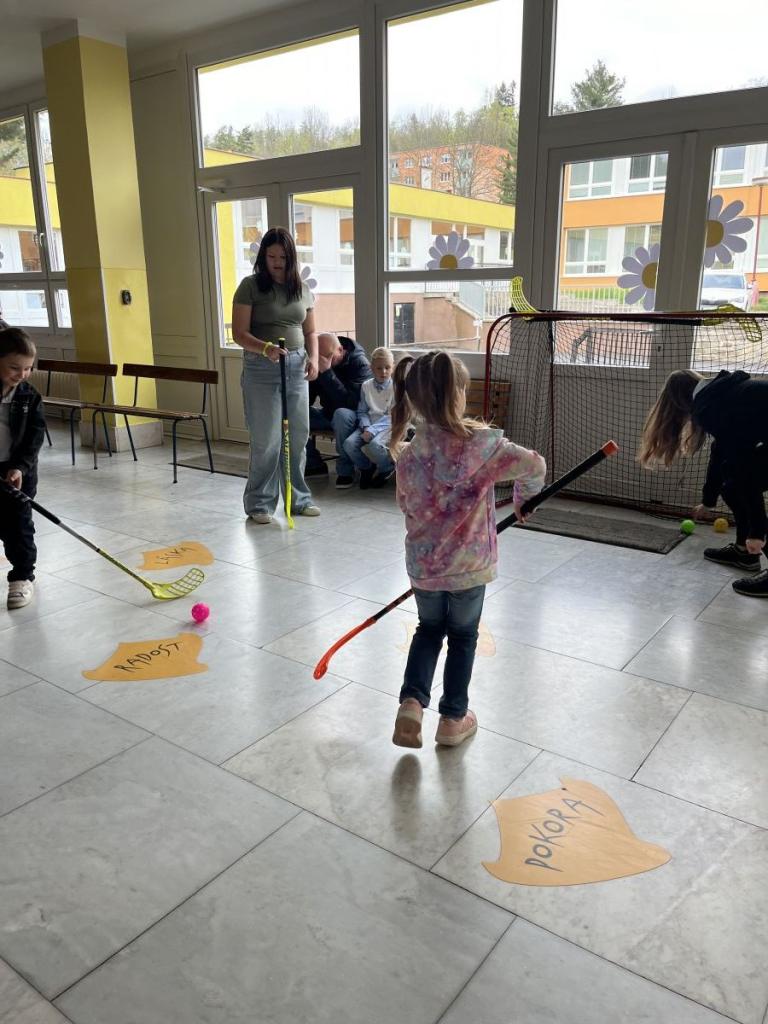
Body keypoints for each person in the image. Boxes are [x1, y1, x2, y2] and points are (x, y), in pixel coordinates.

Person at [389, 352, 546, 748]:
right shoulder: (484, 446)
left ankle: (412, 703)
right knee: (462, 636)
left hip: (424, 566)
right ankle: (453, 719)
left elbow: (406, 505)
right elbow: (534, 465)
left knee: (428, 630)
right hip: (469, 567)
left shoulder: (409, 454)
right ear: (457, 395)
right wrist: (523, 499)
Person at [639, 368, 768, 597]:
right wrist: (708, 500)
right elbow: (719, 453)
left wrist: (757, 532)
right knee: (731, 485)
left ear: (677, 402)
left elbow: (744, 468)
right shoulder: (719, 395)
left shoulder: (710, 406)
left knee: (740, 480)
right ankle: (744, 554)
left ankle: (752, 544)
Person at [232, 226, 320, 524]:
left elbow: (310, 331)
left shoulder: (301, 289)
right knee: (267, 438)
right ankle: (260, 503)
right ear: (263, 257)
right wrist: (265, 348)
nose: (277, 262)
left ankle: (298, 500)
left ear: (291, 258)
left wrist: (314, 358)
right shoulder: (250, 286)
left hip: (296, 366)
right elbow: (240, 334)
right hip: (261, 368)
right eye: (271, 256)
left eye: (282, 257)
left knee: (298, 436)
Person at [0, 327, 46, 609]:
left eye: (28, 368)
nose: (22, 374)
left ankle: (22, 576)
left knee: (18, 525)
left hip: (18, 472)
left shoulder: (30, 396)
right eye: (14, 367)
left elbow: (34, 437)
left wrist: (20, 467)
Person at [306, 332, 372, 488]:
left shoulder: (359, 363)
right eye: (320, 357)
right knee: (291, 413)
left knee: (341, 414)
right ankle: (314, 464)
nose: (324, 361)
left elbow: (353, 404)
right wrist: (309, 376)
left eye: (328, 357)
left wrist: (327, 374)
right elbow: (308, 400)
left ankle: (345, 471)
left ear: (341, 350)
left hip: (353, 417)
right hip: (327, 414)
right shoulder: (318, 361)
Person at [342, 347, 396, 489]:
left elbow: (393, 415)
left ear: (393, 367)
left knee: (374, 445)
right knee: (348, 444)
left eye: (387, 368)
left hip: (388, 426)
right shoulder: (366, 386)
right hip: (368, 425)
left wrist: (372, 430)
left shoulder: (396, 387)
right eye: (379, 368)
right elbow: (362, 411)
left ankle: (386, 468)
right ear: (371, 368)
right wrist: (366, 427)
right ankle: (367, 467)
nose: (383, 372)